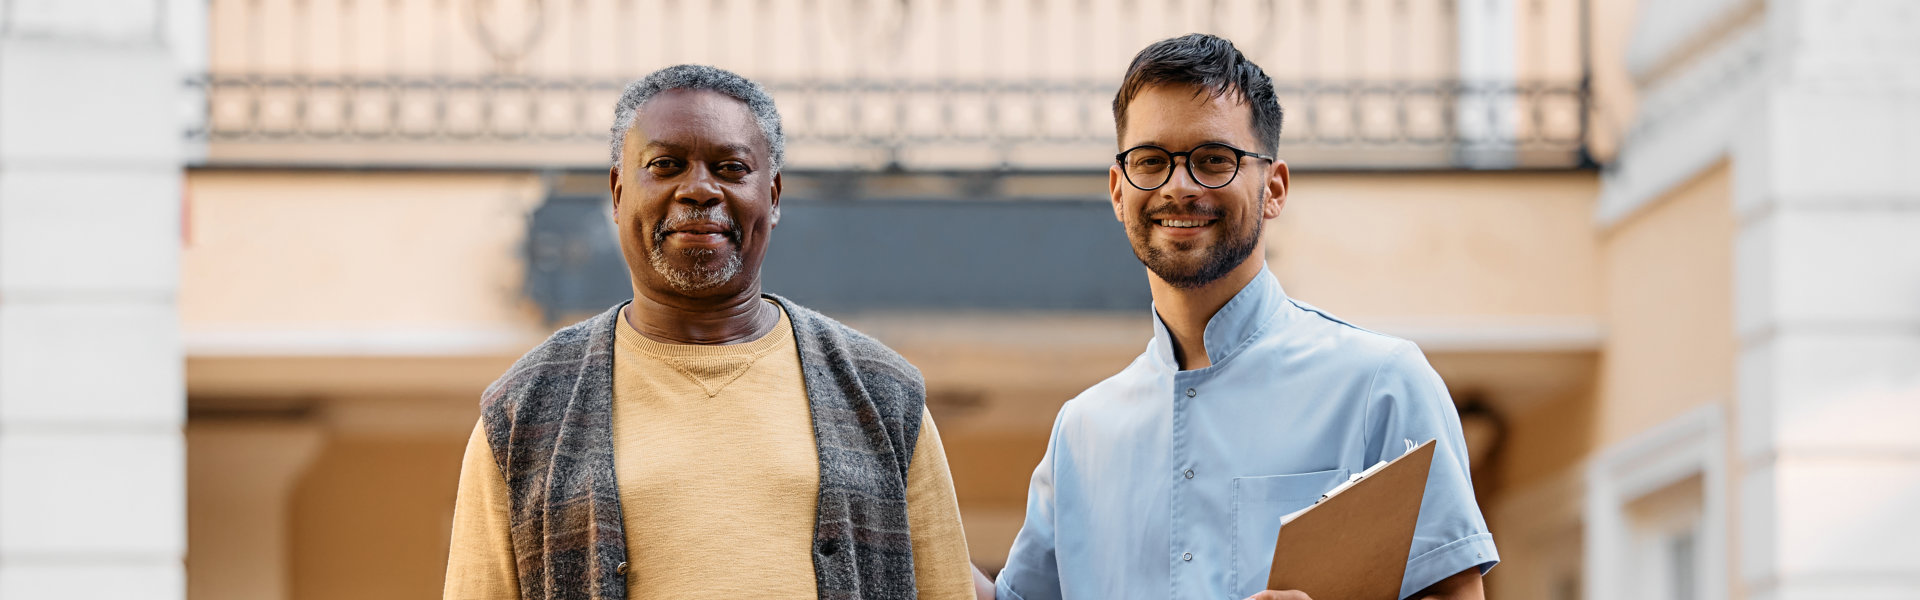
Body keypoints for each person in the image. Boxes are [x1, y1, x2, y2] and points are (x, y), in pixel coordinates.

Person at [987, 34, 1498, 600]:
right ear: (1117, 189)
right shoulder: (1080, 431)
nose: (1178, 187)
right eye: (1150, 161)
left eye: (1212, 160)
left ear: (1273, 188)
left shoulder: (1382, 384)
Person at [443, 64, 977, 600]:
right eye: (666, 164)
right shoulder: (525, 411)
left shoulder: (882, 396)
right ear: (617, 191)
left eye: (730, 167)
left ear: (772, 195)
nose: (699, 189)